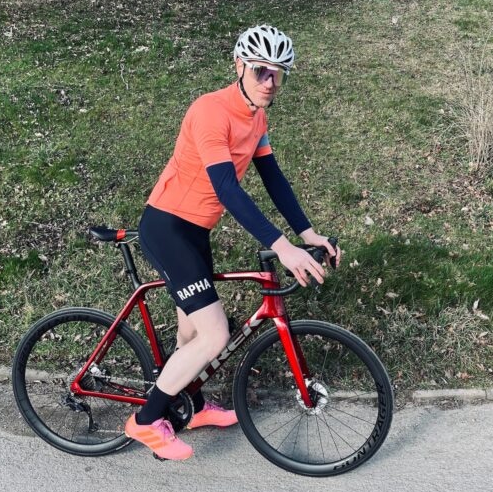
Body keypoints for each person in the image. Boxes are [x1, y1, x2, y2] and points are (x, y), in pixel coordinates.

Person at [124, 24, 341, 460]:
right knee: (214, 333)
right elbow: (226, 188)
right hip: (167, 227)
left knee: (191, 330)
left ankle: (195, 407)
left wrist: (306, 232)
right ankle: (145, 421)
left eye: (279, 74)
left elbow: (273, 179)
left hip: (196, 231)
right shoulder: (210, 111)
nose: (269, 81)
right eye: (261, 70)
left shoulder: (257, 118)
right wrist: (282, 246)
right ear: (240, 66)